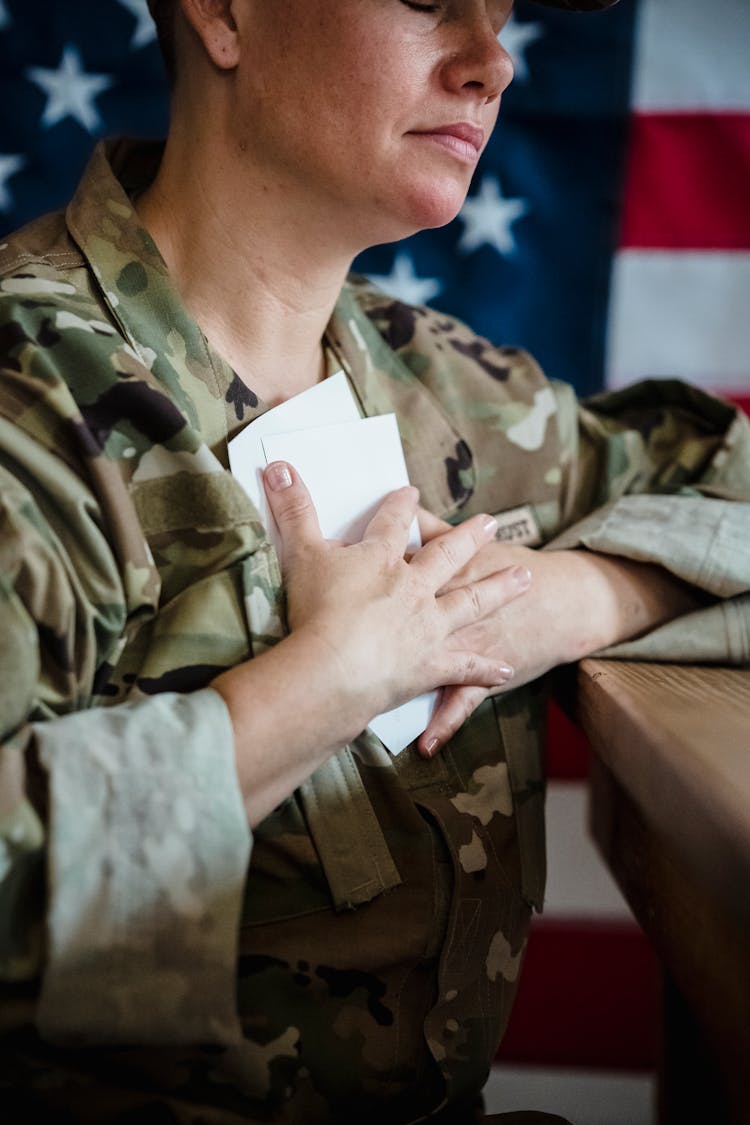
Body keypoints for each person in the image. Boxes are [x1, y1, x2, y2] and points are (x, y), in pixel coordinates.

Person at [1, 0, 748, 1121]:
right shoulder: (32, 409)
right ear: (224, 13)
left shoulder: (451, 395)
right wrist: (330, 683)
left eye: (499, 14)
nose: (490, 61)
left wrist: (573, 594)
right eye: (427, 1)